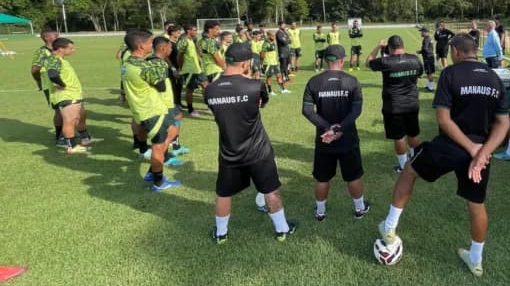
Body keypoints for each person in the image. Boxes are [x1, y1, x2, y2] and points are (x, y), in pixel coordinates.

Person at [377, 34, 510, 278]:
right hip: (480, 152)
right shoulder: (494, 77)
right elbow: (503, 122)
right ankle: (476, 260)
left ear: (457, 51)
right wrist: (483, 152)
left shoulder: (450, 74)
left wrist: (472, 150)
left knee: (409, 170)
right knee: (476, 204)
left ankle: (389, 227)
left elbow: (444, 120)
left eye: (451, 52)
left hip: (452, 145)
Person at [205, 42, 297, 243]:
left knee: (223, 193)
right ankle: (282, 230)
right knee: (270, 190)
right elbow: (261, 104)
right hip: (258, 151)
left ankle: (221, 233)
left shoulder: (210, 90)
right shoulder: (255, 86)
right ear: (246, 62)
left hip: (229, 150)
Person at [302, 44, 370, 222]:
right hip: (347, 137)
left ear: (325, 60)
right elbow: (356, 111)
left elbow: (307, 111)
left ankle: (320, 212)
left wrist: (327, 128)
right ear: (342, 60)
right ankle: (359, 208)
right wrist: (337, 129)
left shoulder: (314, 81)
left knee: (322, 177)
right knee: (353, 175)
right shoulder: (352, 81)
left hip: (325, 139)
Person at [122, 29, 182, 191]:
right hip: (152, 110)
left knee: (170, 133)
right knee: (158, 146)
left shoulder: (127, 63)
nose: (151, 45)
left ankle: (151, 172)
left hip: (142, 109)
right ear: (141, 45)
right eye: (150, 42)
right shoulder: (145, 66)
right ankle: (158, 182)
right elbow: (161, 86)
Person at [368, 35, 424, 174]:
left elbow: (368, 61)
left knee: (399, 136)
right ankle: (417, 162)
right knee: (413, 132)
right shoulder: (414, 59)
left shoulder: (386, 61)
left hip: (394, 106)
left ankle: (404, 166)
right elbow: (420, 73)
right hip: (412, 103)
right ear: (402, 45)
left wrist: (378, 46)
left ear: (390, 48)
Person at [45, 38, 98, 154]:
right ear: (60, 49)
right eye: (70, 48)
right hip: (67, 96)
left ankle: (85, 139)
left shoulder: (59, 59)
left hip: (74, 94)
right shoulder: (54, 59)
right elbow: (52, 75)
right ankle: (72, 146)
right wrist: (63, 85)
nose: (73, 50)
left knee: (81, 117)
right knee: (70, 120)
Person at [150, 37, 189, 157]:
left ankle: (175, 146)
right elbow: (159, 86)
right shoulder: (156, 63)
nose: (172, 49)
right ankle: (163, 155)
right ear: (162, 48)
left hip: (168, 101)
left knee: (178, 116)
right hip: (162, 103)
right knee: (169, 131)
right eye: (170, 47)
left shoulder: (161, 62)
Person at [30, 28, 64, 146]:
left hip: (60, 83)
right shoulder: (42, 52)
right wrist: (39, 81)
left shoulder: (57, 49)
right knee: (59, 110)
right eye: (55, 35)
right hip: (50, 85)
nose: (58, 35)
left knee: (66, 108)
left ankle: (67, 132)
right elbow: (34, 69)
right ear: (46, 38)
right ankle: (60, 137)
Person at [176, 24, 205, 116]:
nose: (196, 32)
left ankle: (210, 105)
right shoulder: (184, 41)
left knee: (206, 85)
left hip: (197, 69)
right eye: (194, 30)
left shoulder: (191, 40)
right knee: (190, 90)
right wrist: (181, 68)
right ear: (188, 31)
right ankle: (190, 109)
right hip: (189, 70)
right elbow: (179, 56)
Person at [417, 26, 435, 92]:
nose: (421, 33)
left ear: (425, 32)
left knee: (429, 73)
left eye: (422, 32)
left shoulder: (426, 39)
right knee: (429, 73)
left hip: (428, 58)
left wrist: (420, 51)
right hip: (430, 57)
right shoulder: (429, 38)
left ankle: (430, 88)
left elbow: (425, 49)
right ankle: (428, 85)